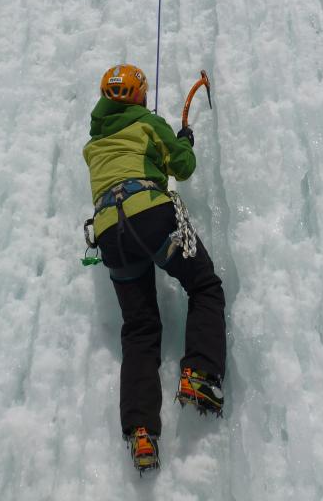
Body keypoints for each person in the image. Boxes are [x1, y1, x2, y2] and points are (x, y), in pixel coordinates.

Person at [83, 64, 226, 473]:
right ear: (140, 95)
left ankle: (142, 432)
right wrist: (184, 141)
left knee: (140, 328)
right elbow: (183, 167)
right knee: (203, 285)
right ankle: (199, 373)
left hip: (110, 234)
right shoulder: (148, 124)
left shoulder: (93, 146)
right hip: (151, 217)